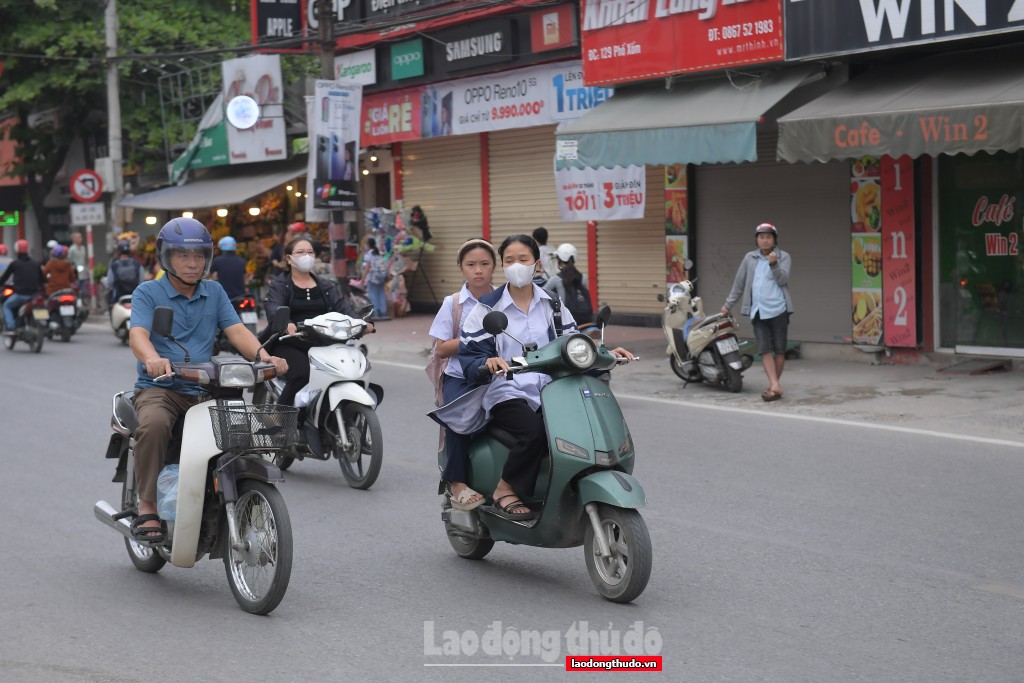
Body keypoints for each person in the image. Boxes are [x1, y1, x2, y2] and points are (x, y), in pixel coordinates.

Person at [127, 218, 287, 542]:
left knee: (245, 434)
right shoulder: (148, 292)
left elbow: (237, 330)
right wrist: (152, 359)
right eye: (183, 256)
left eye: (199, 256)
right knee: (155, 424)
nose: (192, 263)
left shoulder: (213, 291)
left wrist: (262, 355)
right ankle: (147, 505)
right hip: (163, 387)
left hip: (207, 386)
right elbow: (138, 335)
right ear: (166, 257)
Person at [458, 234, 634, 520]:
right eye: (510, 261)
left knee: (580, 429)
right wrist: (486, 362)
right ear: (502, 266)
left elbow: (574, 344)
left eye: (523, 259)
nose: (517, 265)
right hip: (508, 391)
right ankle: (505, 488)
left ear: (537, 264)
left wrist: (606, 354)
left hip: (553, 391)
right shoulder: (487, 309)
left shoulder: (552, 304)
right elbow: (469, 356)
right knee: (535, 431)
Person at [428, 238, 498, 511]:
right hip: (461, 376)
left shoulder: (504, 298)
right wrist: (474, 339)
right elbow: (442, 347)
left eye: (484, 264)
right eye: (471, 265)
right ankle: (456, 482)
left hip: (500, 373)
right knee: (458, 418)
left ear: (494, 267)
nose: (478, 270)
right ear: (461, 268)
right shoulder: (454, 303)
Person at [263, 235, 359, 428]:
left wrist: (361, 323)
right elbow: (273, 307)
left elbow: (343, 307)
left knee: (347, 370)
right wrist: (285, 323)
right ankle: (280, 418)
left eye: (310, 252)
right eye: (300, 252)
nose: (306, 256)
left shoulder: (325, 284)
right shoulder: (280, 284)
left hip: (323, 341)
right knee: (303, 373)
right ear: (289, 258)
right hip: (289, 340)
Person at [721, 222, 793, 402]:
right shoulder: (749, 258)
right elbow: (739, 283)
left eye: (768, 237)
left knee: (780, 350)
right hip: (758, 311)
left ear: (774, 240)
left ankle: (773, 385)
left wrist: (774, 264)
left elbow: (783, 280)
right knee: (764, 349)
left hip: (778, 310)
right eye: (761, 237)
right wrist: (727, 305)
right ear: (757, 240)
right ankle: (775, 385)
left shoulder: (784, 257)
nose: (764, 240)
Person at [542, 243, 593, 326]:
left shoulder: (556, 279)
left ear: (559, 260)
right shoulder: (583, 277)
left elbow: (540, 293)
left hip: (566, 322)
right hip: (585, 320)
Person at [0, 240, 44, 332]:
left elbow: (4, 278)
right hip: (34, 295)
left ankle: (11, 326)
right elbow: (42, 280)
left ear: (16, 250)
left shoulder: (15, 263)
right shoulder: (35, 263)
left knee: (6, 305)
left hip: (20, 294)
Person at [105, 240, 146, 308]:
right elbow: (141, 282)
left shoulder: (114, 266)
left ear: (118, 251)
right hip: (135, 299)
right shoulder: (137, 265)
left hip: (118, 300)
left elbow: (109, 283)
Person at [209, 236, 247, 301]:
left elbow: (208, 275)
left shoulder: (218, 260)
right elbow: (245, 278)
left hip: (224, 297)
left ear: (221, 248)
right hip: (240, 297)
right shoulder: (241, 261)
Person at [361, 237, 391, 320]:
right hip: (380, 277)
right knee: (381, 294)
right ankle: (383, 312)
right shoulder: (377, 253)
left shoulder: (368, 254)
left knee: (373, 295)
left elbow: (367, 268)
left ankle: (376, 313)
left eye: (365, 244)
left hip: (372, 278)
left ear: (368, 245)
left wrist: (362, 279)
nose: (364, 246)